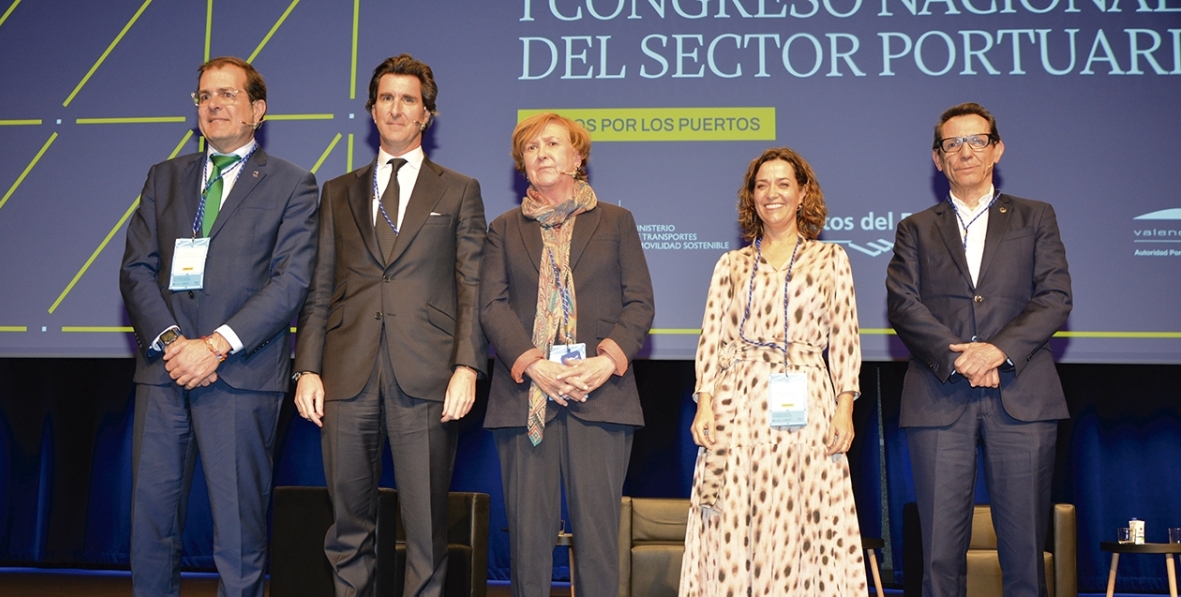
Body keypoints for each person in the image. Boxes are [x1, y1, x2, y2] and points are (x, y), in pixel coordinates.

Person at [119, 56, 318, 597]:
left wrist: (214, 346)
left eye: (228, 94)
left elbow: (292, 280)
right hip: (164, 373)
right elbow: (136, 270)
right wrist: (173, 344)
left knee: (238, 533)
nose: (213, 105)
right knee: (151, 526)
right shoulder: (164, 177)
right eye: (204, 96)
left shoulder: (292, 184)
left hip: (239, 375)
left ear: (258, 109)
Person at [293, 54, 487, 597]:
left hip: (426, 373)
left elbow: (471, 285)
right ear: (372, 110)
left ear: (427, 114)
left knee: (425, 529)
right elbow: (319, 287)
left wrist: (467, 366)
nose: (396, 109)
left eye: (408, 100)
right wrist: (307, 368)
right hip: (346, 373)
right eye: (386, 98)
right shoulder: (337, 191)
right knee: (347, 528)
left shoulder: (459, 190)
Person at [886, 102, 1072, 597]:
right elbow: (903, 305)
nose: (965, 151)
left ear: (997, 150)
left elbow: (1054, 297)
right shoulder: (915, 228)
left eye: (976, 140)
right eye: (952, 144)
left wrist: (997, 351)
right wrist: (960, 359)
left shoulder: (1036, 216)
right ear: (938, 158)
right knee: (939, 559)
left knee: (1026, 555)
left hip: (1022, 395)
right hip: (939, 395)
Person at [480, 112, 654, 597]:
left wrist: (605, 361)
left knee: (598, 540)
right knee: (528, 542)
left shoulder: (616, 221)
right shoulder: (503, 228)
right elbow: (491, 306)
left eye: (553, 144)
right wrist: (535, 364)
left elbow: (640, 303)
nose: (542, 154)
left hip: (601, 395)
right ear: (522, 163)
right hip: (526, 398)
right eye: (531, 148)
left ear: (577, 157)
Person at [679, 147, 867, 595]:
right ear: (751, 197)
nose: (772, 193)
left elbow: (845, 337)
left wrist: (845, 408)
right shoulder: (730, 264)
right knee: (737, 513)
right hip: (738, 404)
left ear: (803, 194)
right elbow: (711, 338)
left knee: (803, 514)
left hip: (808, 400)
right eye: (761, 185)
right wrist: (704, 403)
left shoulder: (831, 258)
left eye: (783, 184)